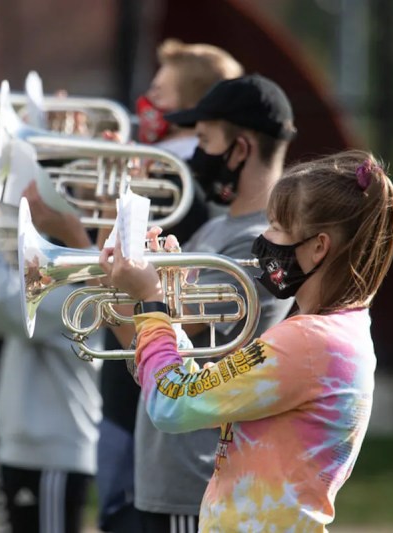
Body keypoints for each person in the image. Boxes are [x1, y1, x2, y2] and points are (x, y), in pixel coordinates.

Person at [35, 73, 297, 533]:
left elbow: (147, 340)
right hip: (166, 471)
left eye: (204, 139)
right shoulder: (218, 229)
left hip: (192, 476)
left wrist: (74, 234)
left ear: (241, 149)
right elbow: (131, 321)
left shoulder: (255, 248)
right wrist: (108, 214)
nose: (196, 152)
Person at [99, 149, 393, 531]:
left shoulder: (307, 342)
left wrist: (152, 303)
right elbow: (197, 395)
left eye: (276, 227)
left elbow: (171, 407)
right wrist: (167, 317)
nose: (263, 238)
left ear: (318, 247)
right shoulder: (334, 333)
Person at [96, 39, 243, 533]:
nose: (146, 102)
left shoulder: (180, 190)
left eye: (159, 90)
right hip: (140, 389)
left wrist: (103, 221)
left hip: (152, 393)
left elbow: (155, 306)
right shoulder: (162, 173)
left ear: (189, 107)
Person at [0, 189, 102, 533]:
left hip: (53, 452)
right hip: (26, 447)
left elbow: (6, 306)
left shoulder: (80, 288)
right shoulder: (61, 276)